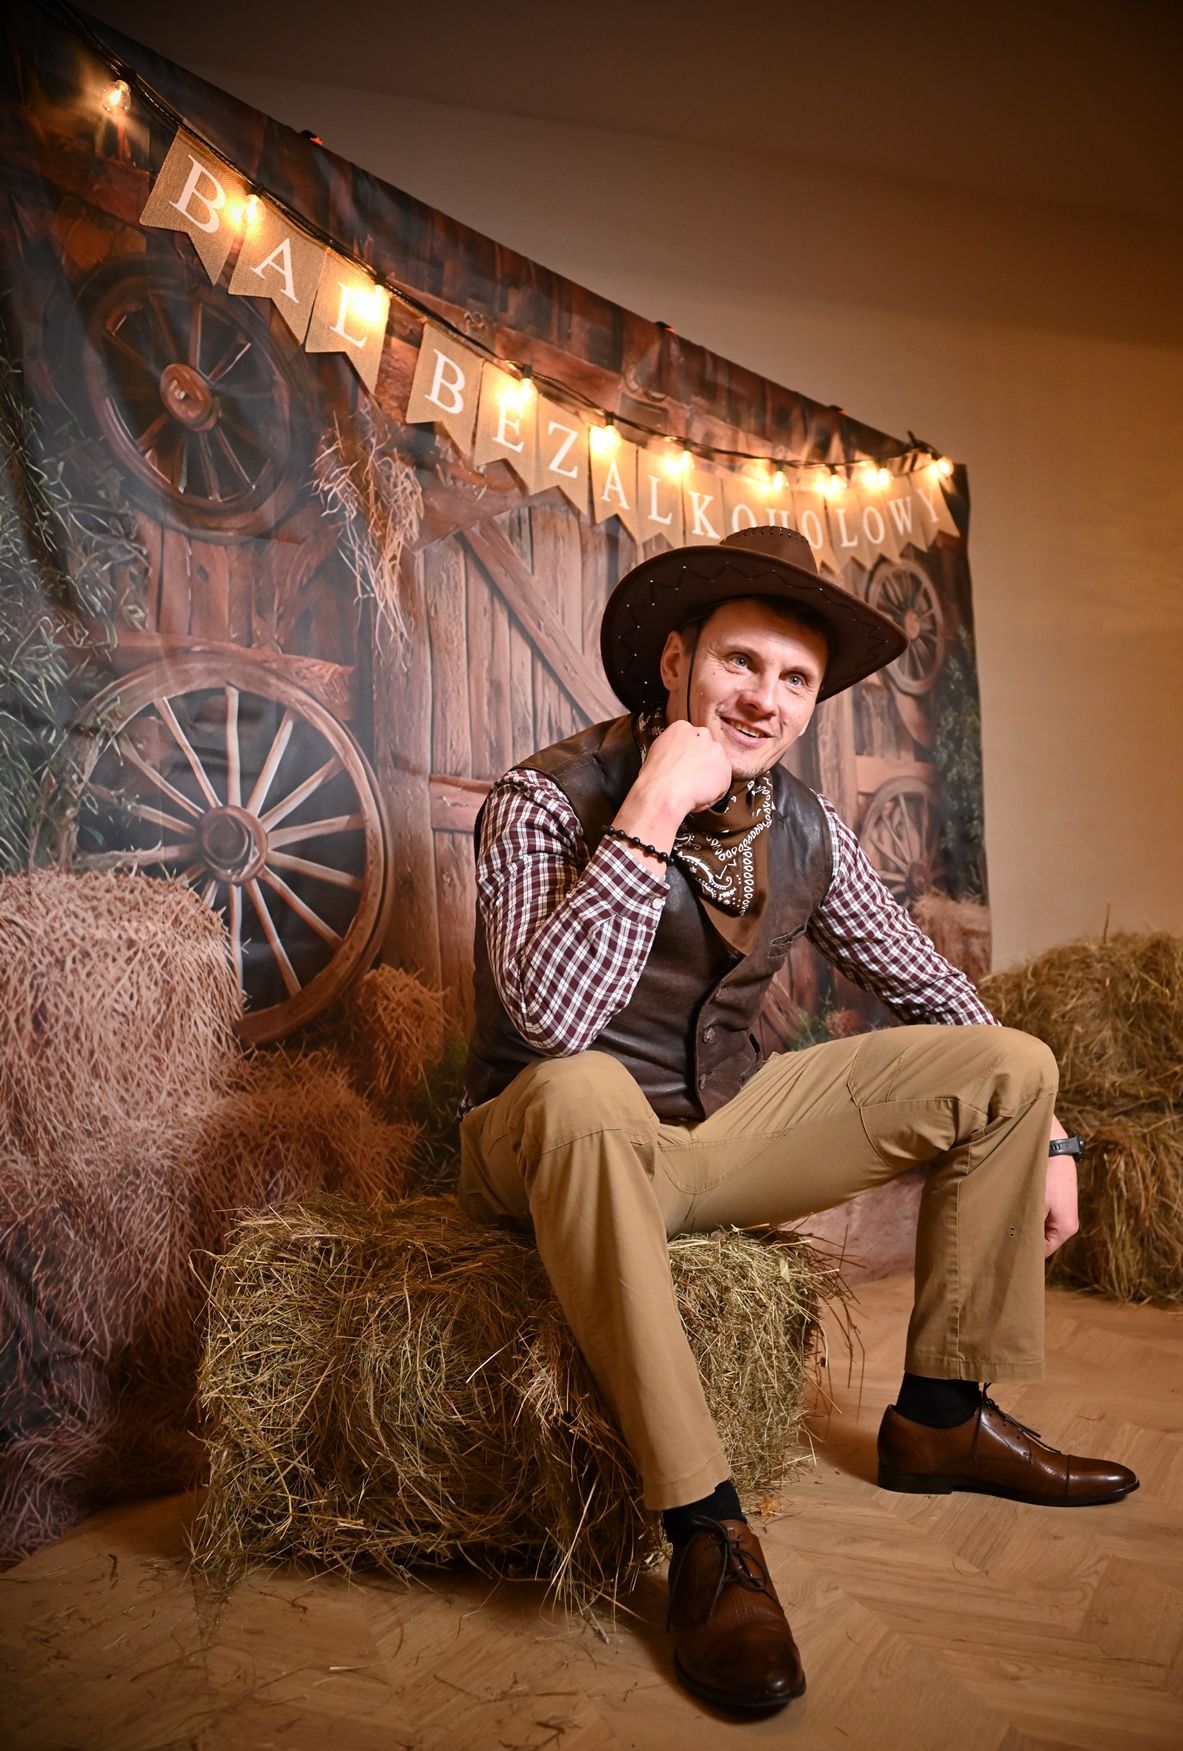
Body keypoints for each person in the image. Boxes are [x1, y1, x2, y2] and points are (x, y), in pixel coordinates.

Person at [458, 524, 1138, 1714]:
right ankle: (705, 1526)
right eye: (739, 662)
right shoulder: (542, 796)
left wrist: (1052, 1133)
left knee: (1009, 1062)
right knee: (583, 1089)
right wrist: (653, 805)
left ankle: (943, 1417)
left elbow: (925, 979)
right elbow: (554, 1026)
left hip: (713, 1129)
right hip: (550, 1134)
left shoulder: (805, 823)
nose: (761, 699)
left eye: (793, 679)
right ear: (676, 662)